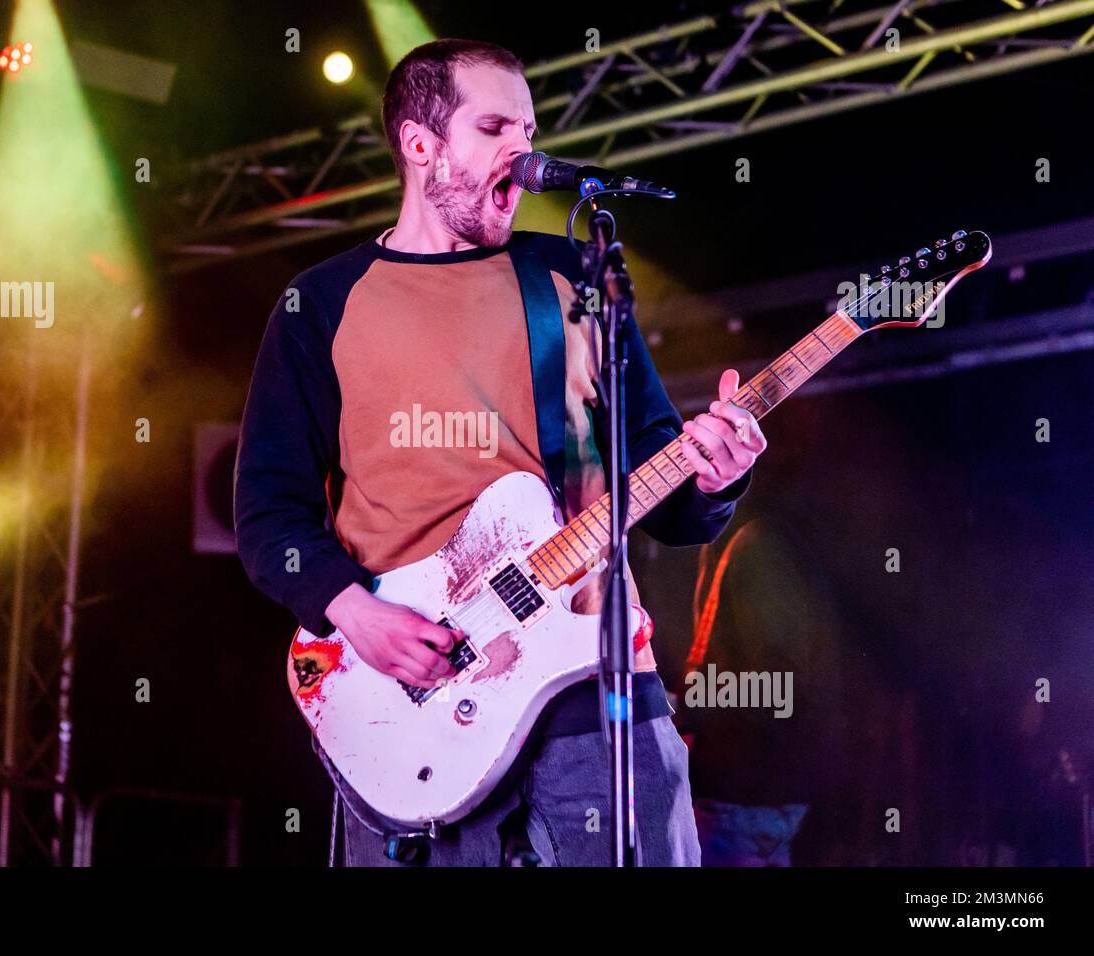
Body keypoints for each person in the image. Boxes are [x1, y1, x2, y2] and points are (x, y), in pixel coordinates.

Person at [235, 38, 765, 866]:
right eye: (494, 128)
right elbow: (269, 513)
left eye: (528, 128)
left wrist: (716, 478)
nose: (522, 152)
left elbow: (667, 481)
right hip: (407, 697)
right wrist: (356, 613)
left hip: (595, 684)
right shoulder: (322, 304)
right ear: (421, 145)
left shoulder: (575, 275)